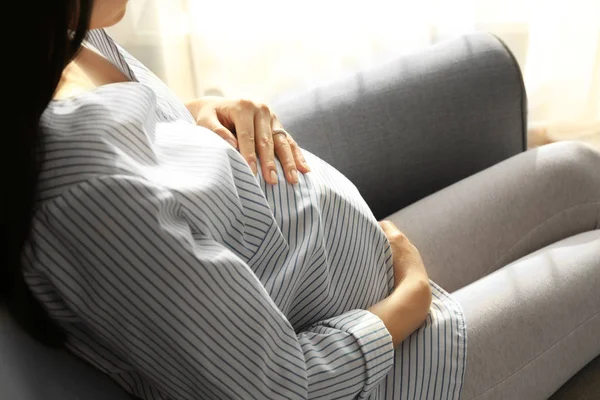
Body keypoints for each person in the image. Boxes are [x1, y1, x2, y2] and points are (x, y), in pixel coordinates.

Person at [2, 1, 598, 399]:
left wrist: (198, 114)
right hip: (393, 368)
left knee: (575, 169)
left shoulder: (71, 41)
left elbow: (152, 158)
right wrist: (410, 297)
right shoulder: (89, 191)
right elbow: (278, 388)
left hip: (356, 273)